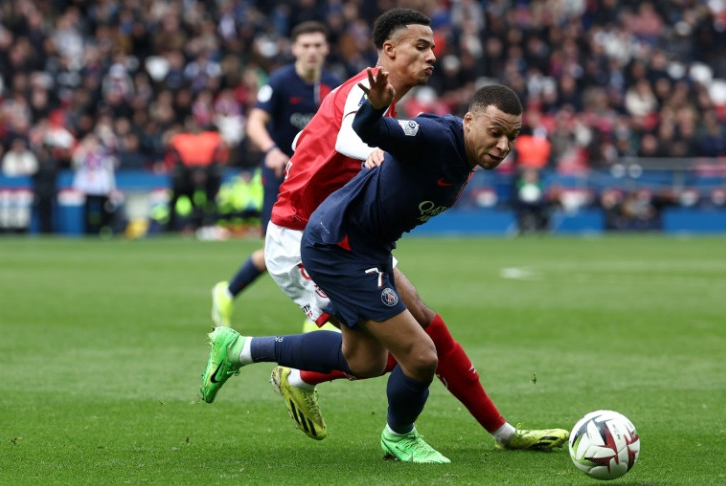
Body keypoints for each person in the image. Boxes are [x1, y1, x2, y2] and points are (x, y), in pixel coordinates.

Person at [202, 8, 568, 454]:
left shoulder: (387, 103)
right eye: (421, 46)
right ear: (389, 50)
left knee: (405, 335)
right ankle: (303, 382)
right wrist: (368, 151)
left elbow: (315, 139)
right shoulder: (366, 90)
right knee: (395, 352)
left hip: (357, 237)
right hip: (306, 238)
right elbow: (348, 136)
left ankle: (501, 432)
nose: (432, 55)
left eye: (433, 47)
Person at [211, 21, 341, 329]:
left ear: (326, 49)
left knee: (320, 244)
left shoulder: (334, 86)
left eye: (317, 45)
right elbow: (254, 122)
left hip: (318, 181)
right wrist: (270, 149)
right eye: (305, 45)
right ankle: (227, 292)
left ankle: (318, 316)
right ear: (295, 49)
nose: (311, 51)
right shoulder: (280, 82)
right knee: (278, 250)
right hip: (281, 177)